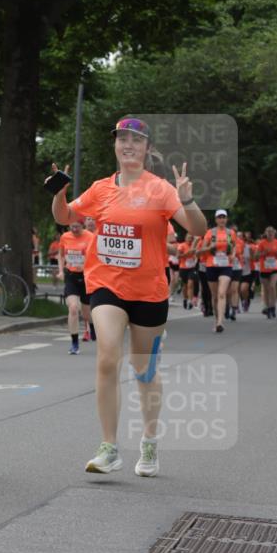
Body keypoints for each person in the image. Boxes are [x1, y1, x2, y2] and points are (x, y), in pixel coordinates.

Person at [48, 116, 206, 479]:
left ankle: (149, 441)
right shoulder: (101, 188)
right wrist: (59, 191)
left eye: (135, 139)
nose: (128, 144)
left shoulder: (161, 190)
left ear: (147, 148)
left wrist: (188, 200)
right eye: (122, 139)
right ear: (116, 146)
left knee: (144, 370)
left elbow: (197, 229)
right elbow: (64, 216)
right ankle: (109, 447)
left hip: (149, 291)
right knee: (107, 356)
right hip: (106, 284)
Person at [57, 220, 93, 354]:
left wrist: (86, 266)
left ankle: (93, 328)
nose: (75, 229)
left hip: (86, 277)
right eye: (72, 227)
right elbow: (60, 256)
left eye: (77, 227)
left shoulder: (89, 237)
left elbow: (95, 256)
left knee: (86, 313)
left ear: (82, 226)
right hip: (71, 276)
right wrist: (61, 270)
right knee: (73, 308)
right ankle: (74, 343)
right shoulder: (65, 237)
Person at [198, 210, 237, 333]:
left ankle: (220, 322)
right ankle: (216, 319)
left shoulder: (230, 233)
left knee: (221, 293)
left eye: (224, 217)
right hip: (211, 265)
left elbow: (233, 246)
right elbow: (202, 250)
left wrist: (233, 255)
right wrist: (211, 247)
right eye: (219, 217)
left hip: (226, 265)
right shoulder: (210, 233)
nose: (222, 220)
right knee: (215, 296)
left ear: (227, 219)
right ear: (216, 220)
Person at [257, 226, 277, 319]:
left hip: (274, 268)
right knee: (266, 289)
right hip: (264, 269)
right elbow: (255, 256)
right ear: (265, 233)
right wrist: (263, 253)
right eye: (268, 232)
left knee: (272, 286)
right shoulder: (261, 243)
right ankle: (267, 306)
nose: (270, 234)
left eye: (271, 232)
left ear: (274, 233)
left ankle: (272, 306)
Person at [177, 233, 198, 310]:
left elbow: (197, 255)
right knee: (184, 286)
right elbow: (178, 256)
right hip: (183, 268)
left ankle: (190, 301)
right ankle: (185, 299)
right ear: (185, 238)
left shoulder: (194, 246)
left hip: (192, 268)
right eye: (188, 238)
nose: (190, 239)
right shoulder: (182, 245)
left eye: (191, 238)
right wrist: (187, 254)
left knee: (190, 284)